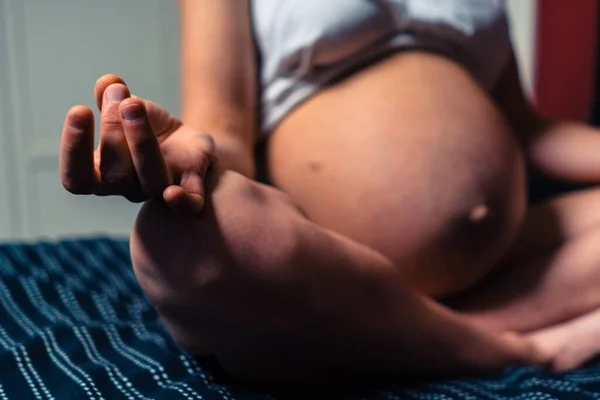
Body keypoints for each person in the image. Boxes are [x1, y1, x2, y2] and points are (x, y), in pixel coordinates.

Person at [59, 0, 600, 384]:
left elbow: (531, 133)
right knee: (175, 238)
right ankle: (514, 347)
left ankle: (402, 333)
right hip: (335, 252)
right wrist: (189, 152)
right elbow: (224, 130)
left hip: (499, 252)